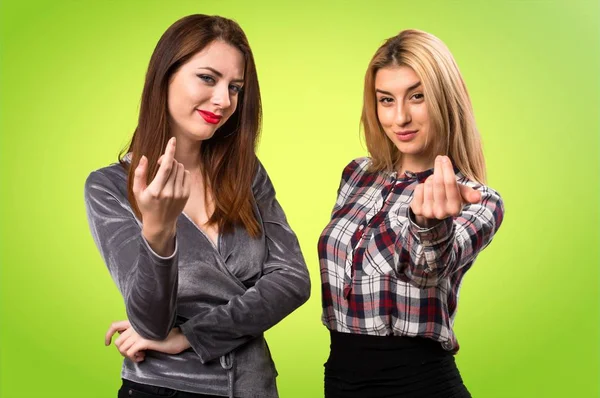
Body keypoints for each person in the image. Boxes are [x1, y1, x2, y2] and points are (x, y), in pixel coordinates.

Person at [84, 14, 310, 398]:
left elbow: (292, 281)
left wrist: (191, 335)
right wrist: (158, 231)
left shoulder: (245, 172)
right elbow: (151, 324)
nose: (223, 100)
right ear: (165, 76)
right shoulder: (109, 188)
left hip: (253, 386)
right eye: (208, 78)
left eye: (235, 87)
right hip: (163, 388)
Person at [318, 29, 505, 397]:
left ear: (444, 99)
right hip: (341, 380)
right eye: (386, 100)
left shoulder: (480, 201)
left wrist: (426, 224)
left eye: (417, 97)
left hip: (419, 384)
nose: (400, 117)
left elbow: (426, 270)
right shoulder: (356, 175)